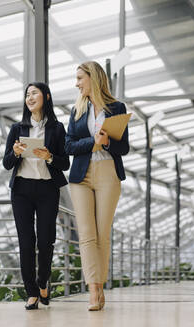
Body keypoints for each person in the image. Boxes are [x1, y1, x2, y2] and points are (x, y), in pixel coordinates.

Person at [65, 61, 129, 311]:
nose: (77, 83)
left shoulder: (117, 108)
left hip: (107, 173)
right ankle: (93, 290)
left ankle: (100, 287)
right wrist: (92, 142)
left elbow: (123, 147)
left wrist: (107, 143)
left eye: (80, 78)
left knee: (102, 234)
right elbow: (69, 146)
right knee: (86, 234)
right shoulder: (77, 110)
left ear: (94, 78)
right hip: (81, 175)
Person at [3, 82, 70, 310]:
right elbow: (6, 163)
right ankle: (31, 292)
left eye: (34, 93)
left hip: (47, 190)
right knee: (26, 242)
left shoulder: (57, 128)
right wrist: (15, 152)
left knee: (46, 240)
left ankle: (43, 282)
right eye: (27, 94)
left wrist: (49, 156)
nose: (30, 97)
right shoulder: (17, 128)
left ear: (46, 97)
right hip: (21, 190)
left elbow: (65, 162)